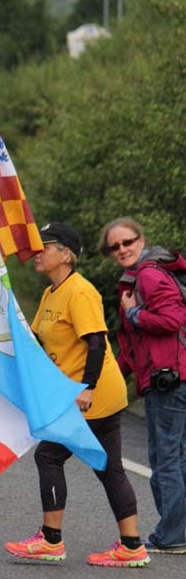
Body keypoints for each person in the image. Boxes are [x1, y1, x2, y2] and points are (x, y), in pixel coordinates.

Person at [5, 221, 150, 568]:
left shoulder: (80, 291)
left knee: (49, 457)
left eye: (46, 246)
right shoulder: (51, 293)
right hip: (87, 393)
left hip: (92, 394)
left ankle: (51, 540)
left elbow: (97, 341)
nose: (37, 253)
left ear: (66, 254)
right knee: (109, 467)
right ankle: (132, 545)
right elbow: (38, 341)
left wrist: (87, 387)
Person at [99, 217, 186, 553]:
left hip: (170, 379)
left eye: (128, 242)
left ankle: (172, 535)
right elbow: (134, 348)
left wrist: (134, 314)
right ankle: (176, 530)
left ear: (141, 239)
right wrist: (111, 377)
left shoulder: (148, 275)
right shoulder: (138, 278)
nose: (122, 249)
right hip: (167, 376)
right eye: (115, 246)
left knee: (166, 458)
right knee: (174, 457)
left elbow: (172, 320)